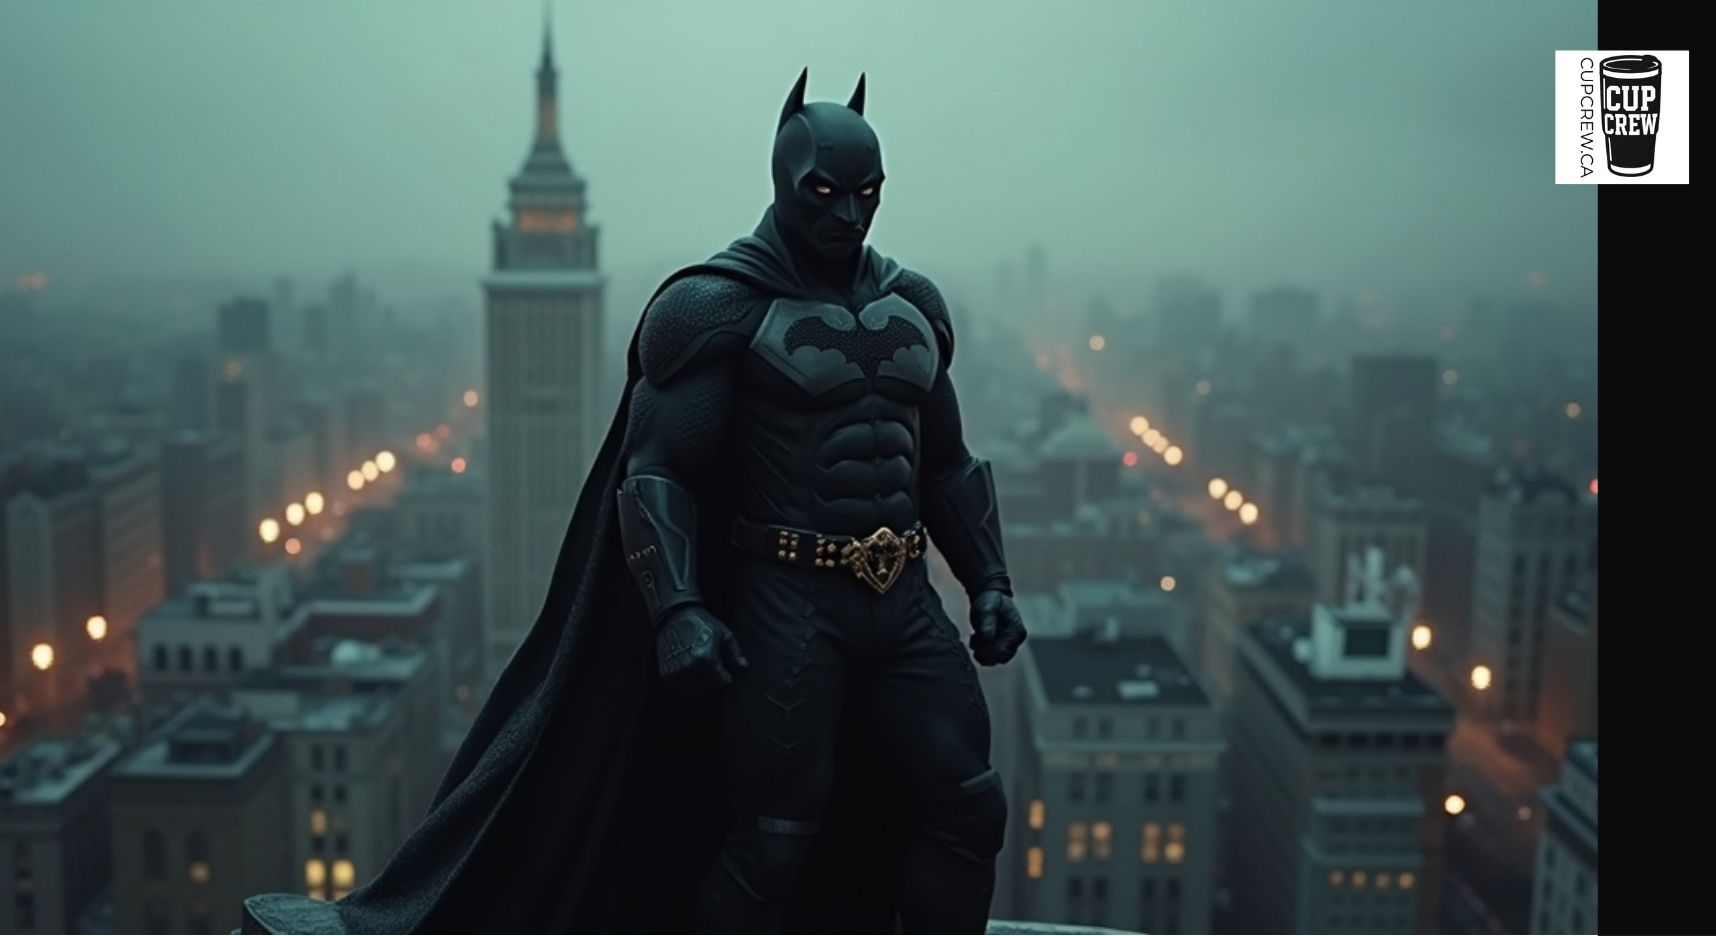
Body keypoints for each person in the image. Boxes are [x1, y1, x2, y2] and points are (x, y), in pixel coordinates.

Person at [239, 68, 1026, 936]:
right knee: (771, 843)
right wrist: (678, 609)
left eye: (867, 195)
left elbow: (946, 462)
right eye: (826, 193)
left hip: (903, 598)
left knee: (969, 808)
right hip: (790, 606)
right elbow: (654, 472)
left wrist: (988, 577)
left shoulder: (911, 304)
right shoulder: (717, 307)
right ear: (785, 181)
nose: (848, 215)